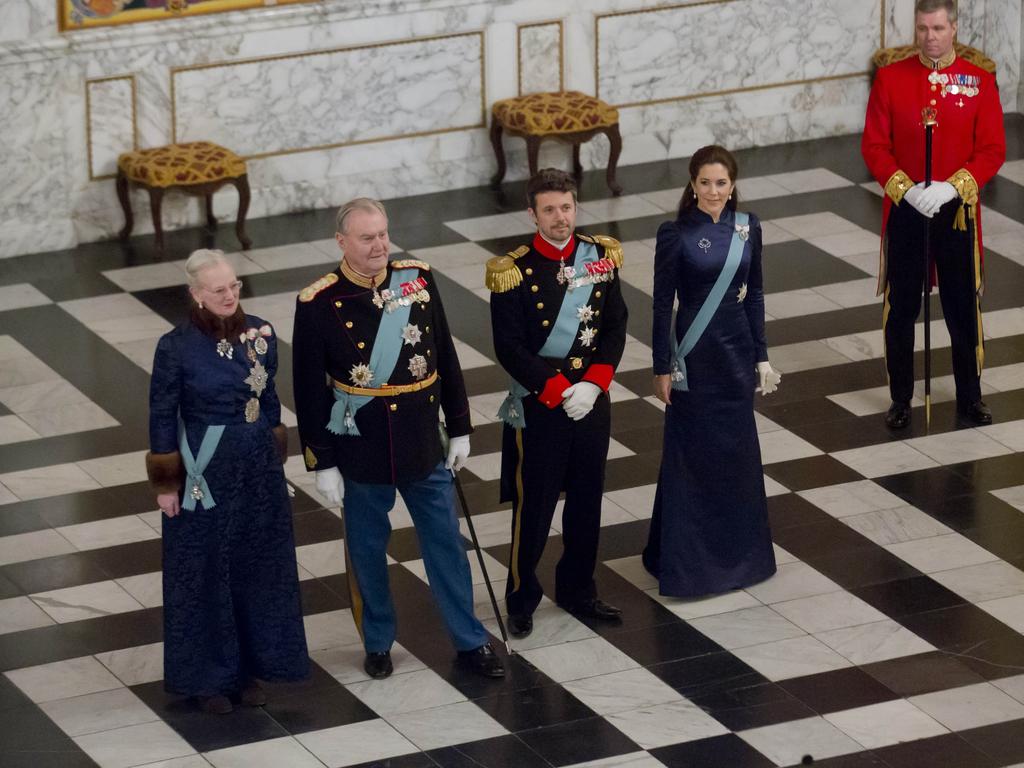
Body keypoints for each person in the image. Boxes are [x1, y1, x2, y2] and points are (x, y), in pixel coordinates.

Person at [292, 198, 504, 680]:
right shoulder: (318, 303)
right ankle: (378, 640)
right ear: (342, 242)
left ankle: (470, 640)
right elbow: (308, 392)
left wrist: (462, 427)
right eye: (367, 238)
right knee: (367, 550)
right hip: (360, 445)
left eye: (383, 234)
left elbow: (445, 356)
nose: (379, 246)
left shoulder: (417, 279)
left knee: (446, 544)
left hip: (421, 439)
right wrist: (321, 461)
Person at [146, 249, 309, 714]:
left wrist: (276, 458)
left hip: (257, 465)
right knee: (205, 571)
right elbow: (162, 414)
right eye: (218, 290)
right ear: (196, 294)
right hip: (205, 470)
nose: (229, 295)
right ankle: (209, 679)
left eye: (234, 286)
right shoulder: (175, 346)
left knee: (257, 566)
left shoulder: (261, 333)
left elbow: (270, 398)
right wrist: (165, 482)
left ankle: (252, 669)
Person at [486, 168, 628, 638]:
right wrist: (557, 390)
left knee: (587, 501)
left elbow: (614, 325)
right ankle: (522, 596)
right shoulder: (514, 270)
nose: (560, 217)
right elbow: (509, 347)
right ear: (532, 213)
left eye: (565, 207)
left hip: (591, 399)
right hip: (541, 403)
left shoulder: (600, 258)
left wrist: (593, 384)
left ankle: (578, 589)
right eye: (549, 209)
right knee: (536, 505)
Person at [642, 145, 780, 598]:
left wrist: (762, 355)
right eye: (705, 182)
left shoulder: (748, 228)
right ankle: (688, 564)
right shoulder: (674, 234)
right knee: (692, 456)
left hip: (736, 353)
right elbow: (663, 303)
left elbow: (756, 293)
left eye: (722, 183)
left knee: (736, 455)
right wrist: (662, 365)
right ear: (692, 184)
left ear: (733, 185)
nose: (714, 191)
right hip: (694, 357)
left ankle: (744, 558)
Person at [862, 0, 1006, 429]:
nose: (930, 36)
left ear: (954, 27)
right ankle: (901, 399)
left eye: (939, 27)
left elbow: (993, 149)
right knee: (902, 306)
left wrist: (953, 186)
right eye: (923, 28)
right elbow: (874, 146)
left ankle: (970, 397)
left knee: (963, 307)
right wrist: (906, 189)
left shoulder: (979, 81)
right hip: (908, 211)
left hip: (957, 212)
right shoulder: (891, 79)